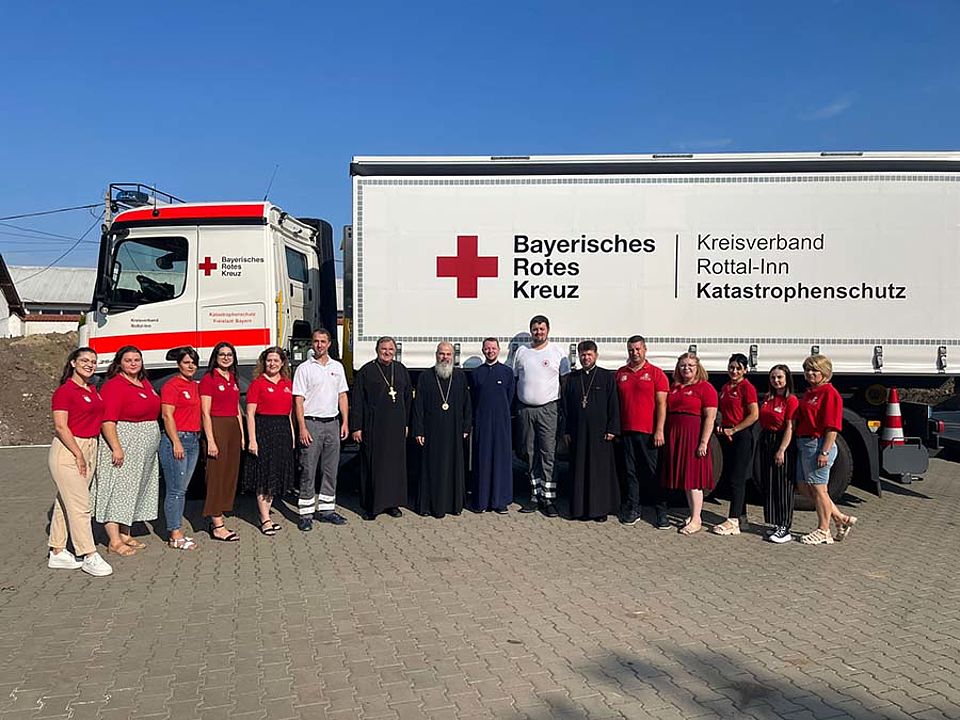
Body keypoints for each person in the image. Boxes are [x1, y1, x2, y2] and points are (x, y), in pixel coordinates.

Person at [46, 347, 113, 576]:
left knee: (66, 502)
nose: (89, 364)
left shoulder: (92, 389)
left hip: (90, 446)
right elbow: (61, 426)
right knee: (81, 506)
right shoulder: (65, 391)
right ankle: (89, 554)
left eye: (93, 361)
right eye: (84, 360)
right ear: (73, 363)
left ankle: (57, 551)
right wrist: (78, 453)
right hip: (69, 449)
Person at [92, 345, 161, 555]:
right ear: (119, 363)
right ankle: (114, 540)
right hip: (124, 443)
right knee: (118, 489)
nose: (133, 363)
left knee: (134, 489)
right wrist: (116, 448)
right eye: (128, 360)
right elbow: (108, 421)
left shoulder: (144, 383)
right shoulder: (114, 386)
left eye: (137, 360)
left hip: (144, 447)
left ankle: (125, 532)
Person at [795, 354, 857, 545]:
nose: (810, 373)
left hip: (818, 444)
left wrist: (825, 451)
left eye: (815, 370)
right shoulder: (811, 393)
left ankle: (824, 530)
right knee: (805, 488)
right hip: (805, 444)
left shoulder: (830, 394)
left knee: (819, 490)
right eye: (808, 370)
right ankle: (840, 518)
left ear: (825, 373)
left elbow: (832, 427)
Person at [513, 314, 571, 517]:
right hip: (525, 409)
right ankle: (534, 495)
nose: (538, 332)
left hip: (549, 409)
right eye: (535, 329)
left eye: (542, 329)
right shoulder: (522, 352)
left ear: (548, 330)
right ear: (531, 331)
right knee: (529, 453)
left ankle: (549, 498)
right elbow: (516, 379)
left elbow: (564, 383)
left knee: (548, 453)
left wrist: (564, 410)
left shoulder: (557, 352)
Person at [292, 329, 349, 531]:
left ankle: (327, 510)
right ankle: (306, 513)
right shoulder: (304, 369)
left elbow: (342, 396)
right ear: (312, 344)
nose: (319, 345)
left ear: (329, 343)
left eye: (323, 341)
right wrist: (302, 428)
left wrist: (345, 422)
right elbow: (298, 400)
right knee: (308, 469)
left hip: (332, 423)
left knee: (330, 470)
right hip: (312, 424)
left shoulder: (337, 367)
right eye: (316, 341)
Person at [350, 336, 412, 520]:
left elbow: (408, 398)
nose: (387, 352)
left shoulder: (400, 370)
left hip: (396, 426)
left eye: (390, 349)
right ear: (377, 350)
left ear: (395, 351)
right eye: (384, 349)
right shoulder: (367, 371)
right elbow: (358, 400)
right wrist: (357, 427)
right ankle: (372, 506)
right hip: (373, 426)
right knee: (373, 465)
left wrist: (407, 423)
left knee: (395, 466)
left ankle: (392, 504)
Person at [660, 352, 718, 535]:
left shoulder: (705, 388)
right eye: (683, 365)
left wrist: (703, 442)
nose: (686, 368)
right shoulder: (675, 387)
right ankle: (693, 514)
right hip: (677, 436)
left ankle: (696, 519)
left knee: (693, 480)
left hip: (693, 437)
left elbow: (710, 417)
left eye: (690, 365)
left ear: (697, 368)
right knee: (686, 479)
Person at [412, 342, 472, 518]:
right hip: (431, 432)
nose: (444, 357)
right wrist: (419, 430)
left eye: (448, 354)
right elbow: (419, 406)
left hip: (454, 431)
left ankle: (453, 505)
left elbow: (467, 404)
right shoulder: (426, 376)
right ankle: (430, 506)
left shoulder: (460, 376)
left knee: (453, 467)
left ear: (452, 356)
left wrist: (466, 426)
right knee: (432, 467)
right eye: (441, 354)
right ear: (436, 355)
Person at [562, 341, 620, 522]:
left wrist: (612, 428)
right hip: (577, 432)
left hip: (600, 433)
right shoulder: (572, 378)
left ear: (596, 355)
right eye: (582, 355)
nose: (586, 358)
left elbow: (614, 404)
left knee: (598, 471)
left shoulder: (606, 377)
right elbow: (565, 407)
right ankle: (579, 509)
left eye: (589, 354)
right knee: (579, 469)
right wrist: (566, 430)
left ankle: (599, 510)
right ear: (578, 356)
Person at [615, 335, 670, 528]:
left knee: (653, 473)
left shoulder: (656, 373)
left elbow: (662, 404)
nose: (634, 352)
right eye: (631, 349)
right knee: (630, 472)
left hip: (649, 432)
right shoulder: (621, 373)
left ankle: (661, 512)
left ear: (645, 350)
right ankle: (633, 508)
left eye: (638, 349)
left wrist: (659, 430)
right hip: (626, 431)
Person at [244, 346, 296, 534]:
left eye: (276, 360)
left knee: (275, 474)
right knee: (264, 475)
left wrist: (292, 436)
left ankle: (267, 514)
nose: (272, 364)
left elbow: (289, 414)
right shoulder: (257, 384)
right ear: (264, 363)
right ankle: (265, 518)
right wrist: (252, 440)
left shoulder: (287, 384)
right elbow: (249, 414)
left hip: (282, 431)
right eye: (269, 360)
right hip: (264, 430)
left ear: (282, 363)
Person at [711, 353, 760, 536]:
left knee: (737, 479)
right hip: (728, 436)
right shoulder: (725, 387)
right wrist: (720, 427)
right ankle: (742, 518)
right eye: (732, 367)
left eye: (738, 368)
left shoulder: (747, 388)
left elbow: (754, 415)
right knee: (732, 476)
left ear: (745, 370)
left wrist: (736, 429)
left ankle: (732, 521)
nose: (734, 371)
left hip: (742, 436)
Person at [158, 347, 202, 550]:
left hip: (193, 440)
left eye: (193, 362)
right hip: (178, 441)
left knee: (182, 489)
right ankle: (174, 534)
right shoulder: (171, 386)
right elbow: (167, 415)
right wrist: (175, 442)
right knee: (175, 490)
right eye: (186, 362)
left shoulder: (194, 386)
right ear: (178, 364)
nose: (190, 366)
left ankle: (177, 529)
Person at [200, 342, 243, 541]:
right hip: (217, 427)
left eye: (229, 354)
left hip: (233, 428)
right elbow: (205, 412)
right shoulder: (209, 379)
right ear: (215, 357)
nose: (226, 357)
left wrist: (242, 435)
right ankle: (217, 525)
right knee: (216, 475)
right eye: (222, 354)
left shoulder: (232, 378)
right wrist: (211, 440)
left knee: (229, 474)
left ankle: (219, 513)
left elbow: (236, 409)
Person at [468, 338, 515, 514]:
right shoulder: (476, 373)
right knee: (483, 460)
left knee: (501, 461)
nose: (490, 351)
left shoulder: (507, 372)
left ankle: (500, 501)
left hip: (502, 423)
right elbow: (473, 399)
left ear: (499, 350)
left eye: (493, 348)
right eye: (487, 348)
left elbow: (510, 397)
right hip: (482, 423)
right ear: (483, 350)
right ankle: (481, 501)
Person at [758, 365, 799, 544]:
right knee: (770, 483)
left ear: (787, 379)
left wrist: (782, 449)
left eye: (780, 377)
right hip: (766, 439)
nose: (776, 381)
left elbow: (790, 426)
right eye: (773, 377)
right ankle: (775, 523)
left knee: (783, 485)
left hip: (782, 441)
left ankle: (785, 526)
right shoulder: (768, 398)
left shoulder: (791, 400)